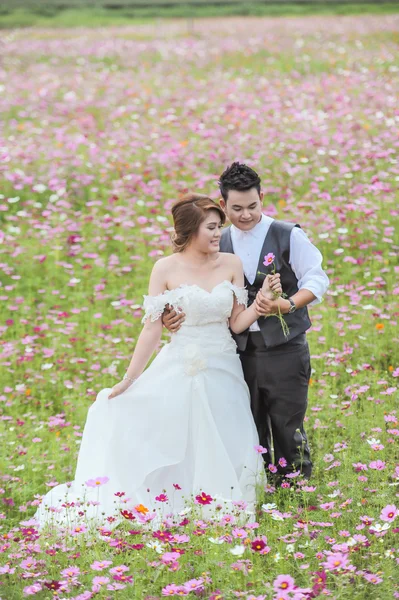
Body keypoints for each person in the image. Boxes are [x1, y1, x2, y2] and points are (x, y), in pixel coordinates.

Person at [34, 193, 282, 531]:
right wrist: (129, 379)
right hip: (180, 363)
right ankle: (173, 502)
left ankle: (219, 505)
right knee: (169, 432)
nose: (217, 234)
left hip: (224, 366)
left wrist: (263, 300)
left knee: (225, 436)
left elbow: (237, 322)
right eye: (211, 227)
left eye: (218, 227)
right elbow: (151, 329)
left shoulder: (231, 264)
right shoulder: (164, 268)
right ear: (190, 230)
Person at [164, 164, 329, 481]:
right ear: (223, 205)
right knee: (246, 424)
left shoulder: (287, 234)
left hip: (284, 347)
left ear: (262, 198)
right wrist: (173, 315)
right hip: (236, 351)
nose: (245, 215)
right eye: (236, 208)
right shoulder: (216, 240)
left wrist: (288, 303)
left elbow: (317, 280)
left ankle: (294, 489)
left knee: (287, 423)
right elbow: (190, 282)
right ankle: (259, 489)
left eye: (252, 206)